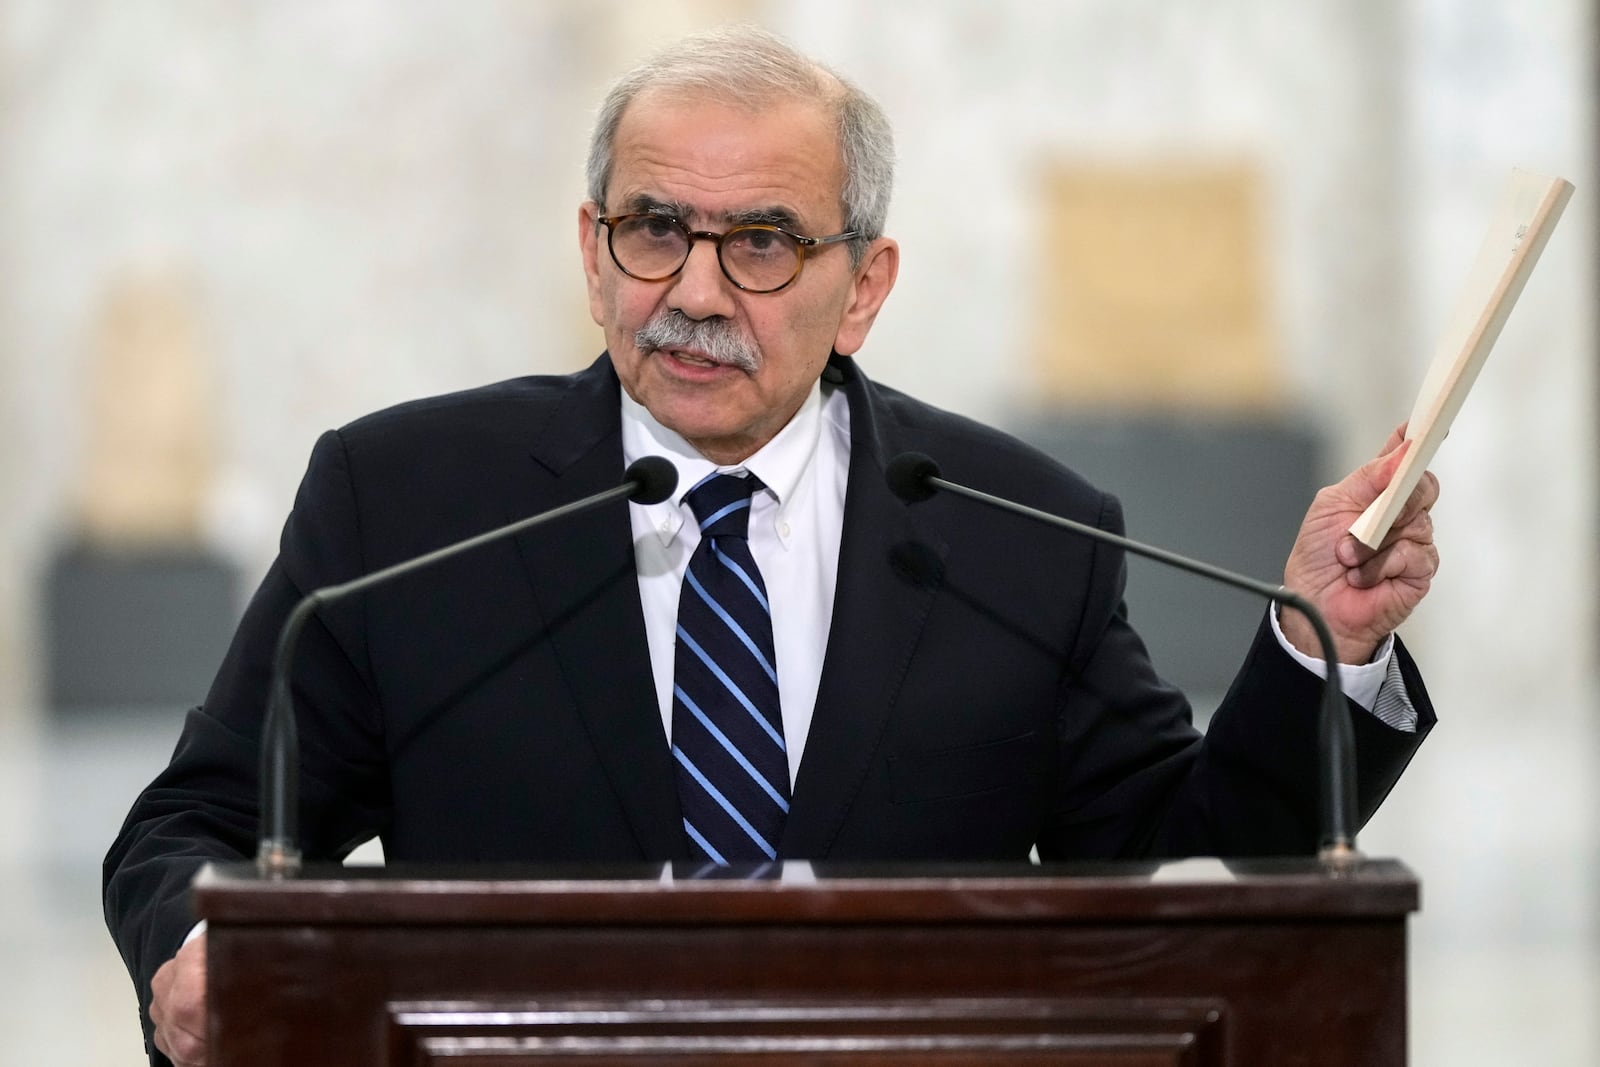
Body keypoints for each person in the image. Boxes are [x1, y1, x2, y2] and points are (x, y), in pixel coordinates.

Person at [103, 25, 1440, 1067]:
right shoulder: (408, 503)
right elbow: (198, 825)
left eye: (761, 244)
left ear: (864, 286)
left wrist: (1325, 638)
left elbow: (1181, 838)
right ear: (591, 247)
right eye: (653, 230)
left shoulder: (1016, 529)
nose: (692, 293)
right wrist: (196, 948)